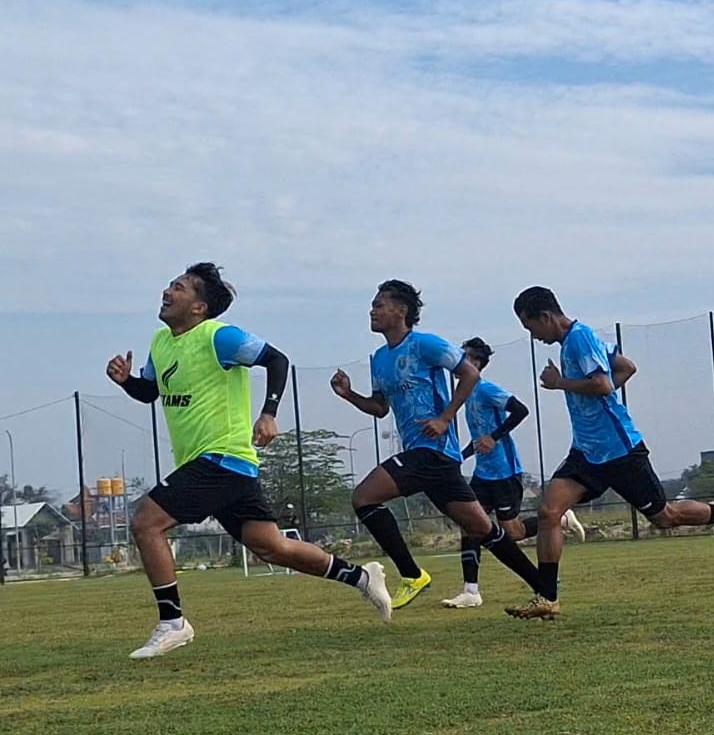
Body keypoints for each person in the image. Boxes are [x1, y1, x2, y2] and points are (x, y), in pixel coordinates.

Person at [107, 263, 391, 658]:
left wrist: (269, 412)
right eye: (170, 284)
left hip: (221, 458)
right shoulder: (160, 341)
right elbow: (150, 391)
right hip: (220, 466)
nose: (167, 291)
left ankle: (173, 622)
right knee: (272, 548)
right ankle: (361, 576)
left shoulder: (220, 336)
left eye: (179, 287)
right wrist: (125, 381)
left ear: (199, 307)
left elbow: (277, 360)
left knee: (146, 522)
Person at [510, 286, 714, 619]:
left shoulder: (580, 340)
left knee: (664, 518)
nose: (534, 336)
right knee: (548, 511)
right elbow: (627, 367)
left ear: (545, 317)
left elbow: (602, 385)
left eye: (531, 328)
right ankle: (548, 598)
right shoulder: (582, 338)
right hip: (586, 451)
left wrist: (560, 384)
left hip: (619, 450)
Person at [331, 281, 547, 610]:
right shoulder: (379, 359)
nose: (372, 311)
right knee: (483, 530)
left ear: (401, 311)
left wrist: (445, 418)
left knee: (364, 497)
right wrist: (349, 395)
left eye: (379, 305)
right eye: (372, 306)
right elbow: (380, 408)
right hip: (432, 460)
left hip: (432, 451)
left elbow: (469, 375)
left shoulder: (425, 344)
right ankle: (544, 588)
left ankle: (412, 574)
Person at [442, 337, 586, 609]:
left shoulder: (486, 390)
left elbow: (521, 410)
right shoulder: (465, 394)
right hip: (483, 475)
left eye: (465, 357)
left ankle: (563, 519)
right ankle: (471, 591)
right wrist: (459, 457)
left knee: (514, 532)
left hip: (505, 472)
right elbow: (479, 439)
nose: (457, 362)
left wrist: (495, 437)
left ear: (475, 363)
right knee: (470, 525)